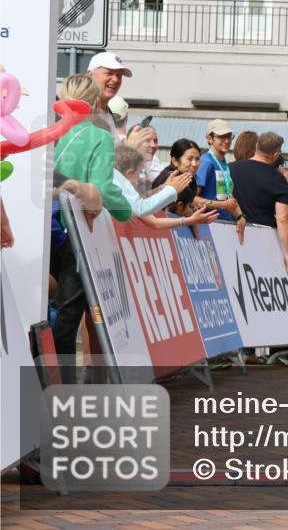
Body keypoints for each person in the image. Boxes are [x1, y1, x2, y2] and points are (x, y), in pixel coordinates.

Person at [51, 74, 133, 381]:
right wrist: (126, 212)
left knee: (41, 310)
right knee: (69, 317)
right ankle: (62, 388)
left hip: (41, 233)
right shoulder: (98, 136)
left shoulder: (49, 133)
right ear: (93, 103)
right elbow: (103, 189)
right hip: (76, 236)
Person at [228, 132, 288, 277]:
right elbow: (283, 218)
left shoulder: (229, 169)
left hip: (230, 234)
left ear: (257, 146)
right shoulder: (278, 180)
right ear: (276, 154)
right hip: (263, 244)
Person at [114, 146, 218, 229]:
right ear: (129, 172)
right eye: (139, 173)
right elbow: (144, 210)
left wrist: (163, 187)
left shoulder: (118, 186)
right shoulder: (118, 189)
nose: (140, 180)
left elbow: (153, 220)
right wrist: (171, 190)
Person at [195, 119, 238, 221]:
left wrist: (240, 216)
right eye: (222, 137)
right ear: (210, 139)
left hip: (224, 224)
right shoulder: (205, 162)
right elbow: (192, 199)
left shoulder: (224, 164)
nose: (227, 141)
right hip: (208, 225)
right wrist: (223, 205)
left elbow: (228, 197)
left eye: (229, 136)